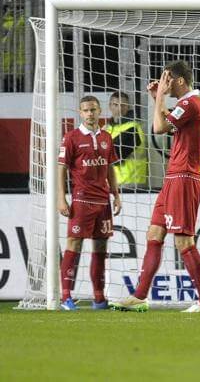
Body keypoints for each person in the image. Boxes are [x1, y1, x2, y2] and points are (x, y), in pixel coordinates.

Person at [111, 60, 200, 313]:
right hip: (173, 178)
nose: (164, 83)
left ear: (179, 81)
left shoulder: (191, 102)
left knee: (184, 242)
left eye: (167, 78)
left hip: (184, 177)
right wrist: (155, 97)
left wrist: (158, 96)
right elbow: (170, 122)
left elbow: (159, 128)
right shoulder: (186, 106)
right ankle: (139, 296)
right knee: (154, 235)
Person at [56, 96, 122, 310]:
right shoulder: (71, 138)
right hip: (82, 200)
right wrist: (61, 197)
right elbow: (61, 169)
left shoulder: (106, 137)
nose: (90, 114)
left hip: (103, 202)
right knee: (74, 244)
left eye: (93, 109)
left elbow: (110, 167)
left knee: (100, 248)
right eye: (86, 110)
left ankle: (99, 298)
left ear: (99, 110)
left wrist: (116, 195)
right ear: (80, 112)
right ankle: (65, 296)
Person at [106, 91, 148, 189]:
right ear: (110, 106)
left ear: (128, 107)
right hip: (112, 182)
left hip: (131, 183)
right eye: (115, 105)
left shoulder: (133, 128)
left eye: (123, 105)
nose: (119, 108)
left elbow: (115, 157)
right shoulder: (106, 129)